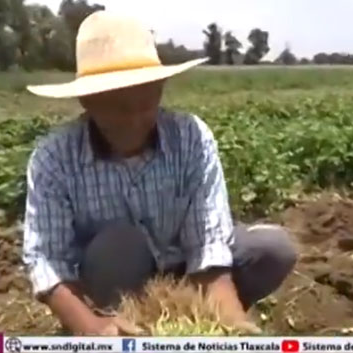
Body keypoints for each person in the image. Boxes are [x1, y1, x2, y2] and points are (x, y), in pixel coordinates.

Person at [23, 10, 297, 336]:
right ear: (87, 100)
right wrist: (92, 326)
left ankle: (199, 316)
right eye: (119, 106)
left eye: (148, 100)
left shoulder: (191, 137)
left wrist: (233, 330)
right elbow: (48, 262)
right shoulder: (55, 157)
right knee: (119, 245)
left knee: (271, 249)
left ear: (162, 88)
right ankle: (119, 324)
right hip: (113, 280)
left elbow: (208, 249)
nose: (136, 118)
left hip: (184, 269)